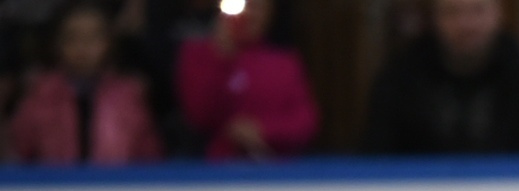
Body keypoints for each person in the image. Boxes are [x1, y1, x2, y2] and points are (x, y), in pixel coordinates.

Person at [361, 0, 519, 153]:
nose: (466, 25)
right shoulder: (399, 81)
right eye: (452, 12)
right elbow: (376, 157)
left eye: (477, 10)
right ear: (434, 18)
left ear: (498, 15)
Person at [8, 0, 160, 163]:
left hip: (114, 186)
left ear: (109, 42)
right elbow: (17, 154)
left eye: (93, 37)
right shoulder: (40, 94)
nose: (82, 47)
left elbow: (149, 157)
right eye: (72, 38)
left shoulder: (129, 96)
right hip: (54, 186)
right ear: (57, 44)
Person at [172, 0, 313, 159]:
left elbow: (305, 121)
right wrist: (221, 57)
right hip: (215, 170)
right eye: (244, 5)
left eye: (258, 8)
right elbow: (198, 115)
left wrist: (264, 130)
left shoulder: (285, 63)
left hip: (277, 169)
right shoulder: (197, 55)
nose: (251, 14)